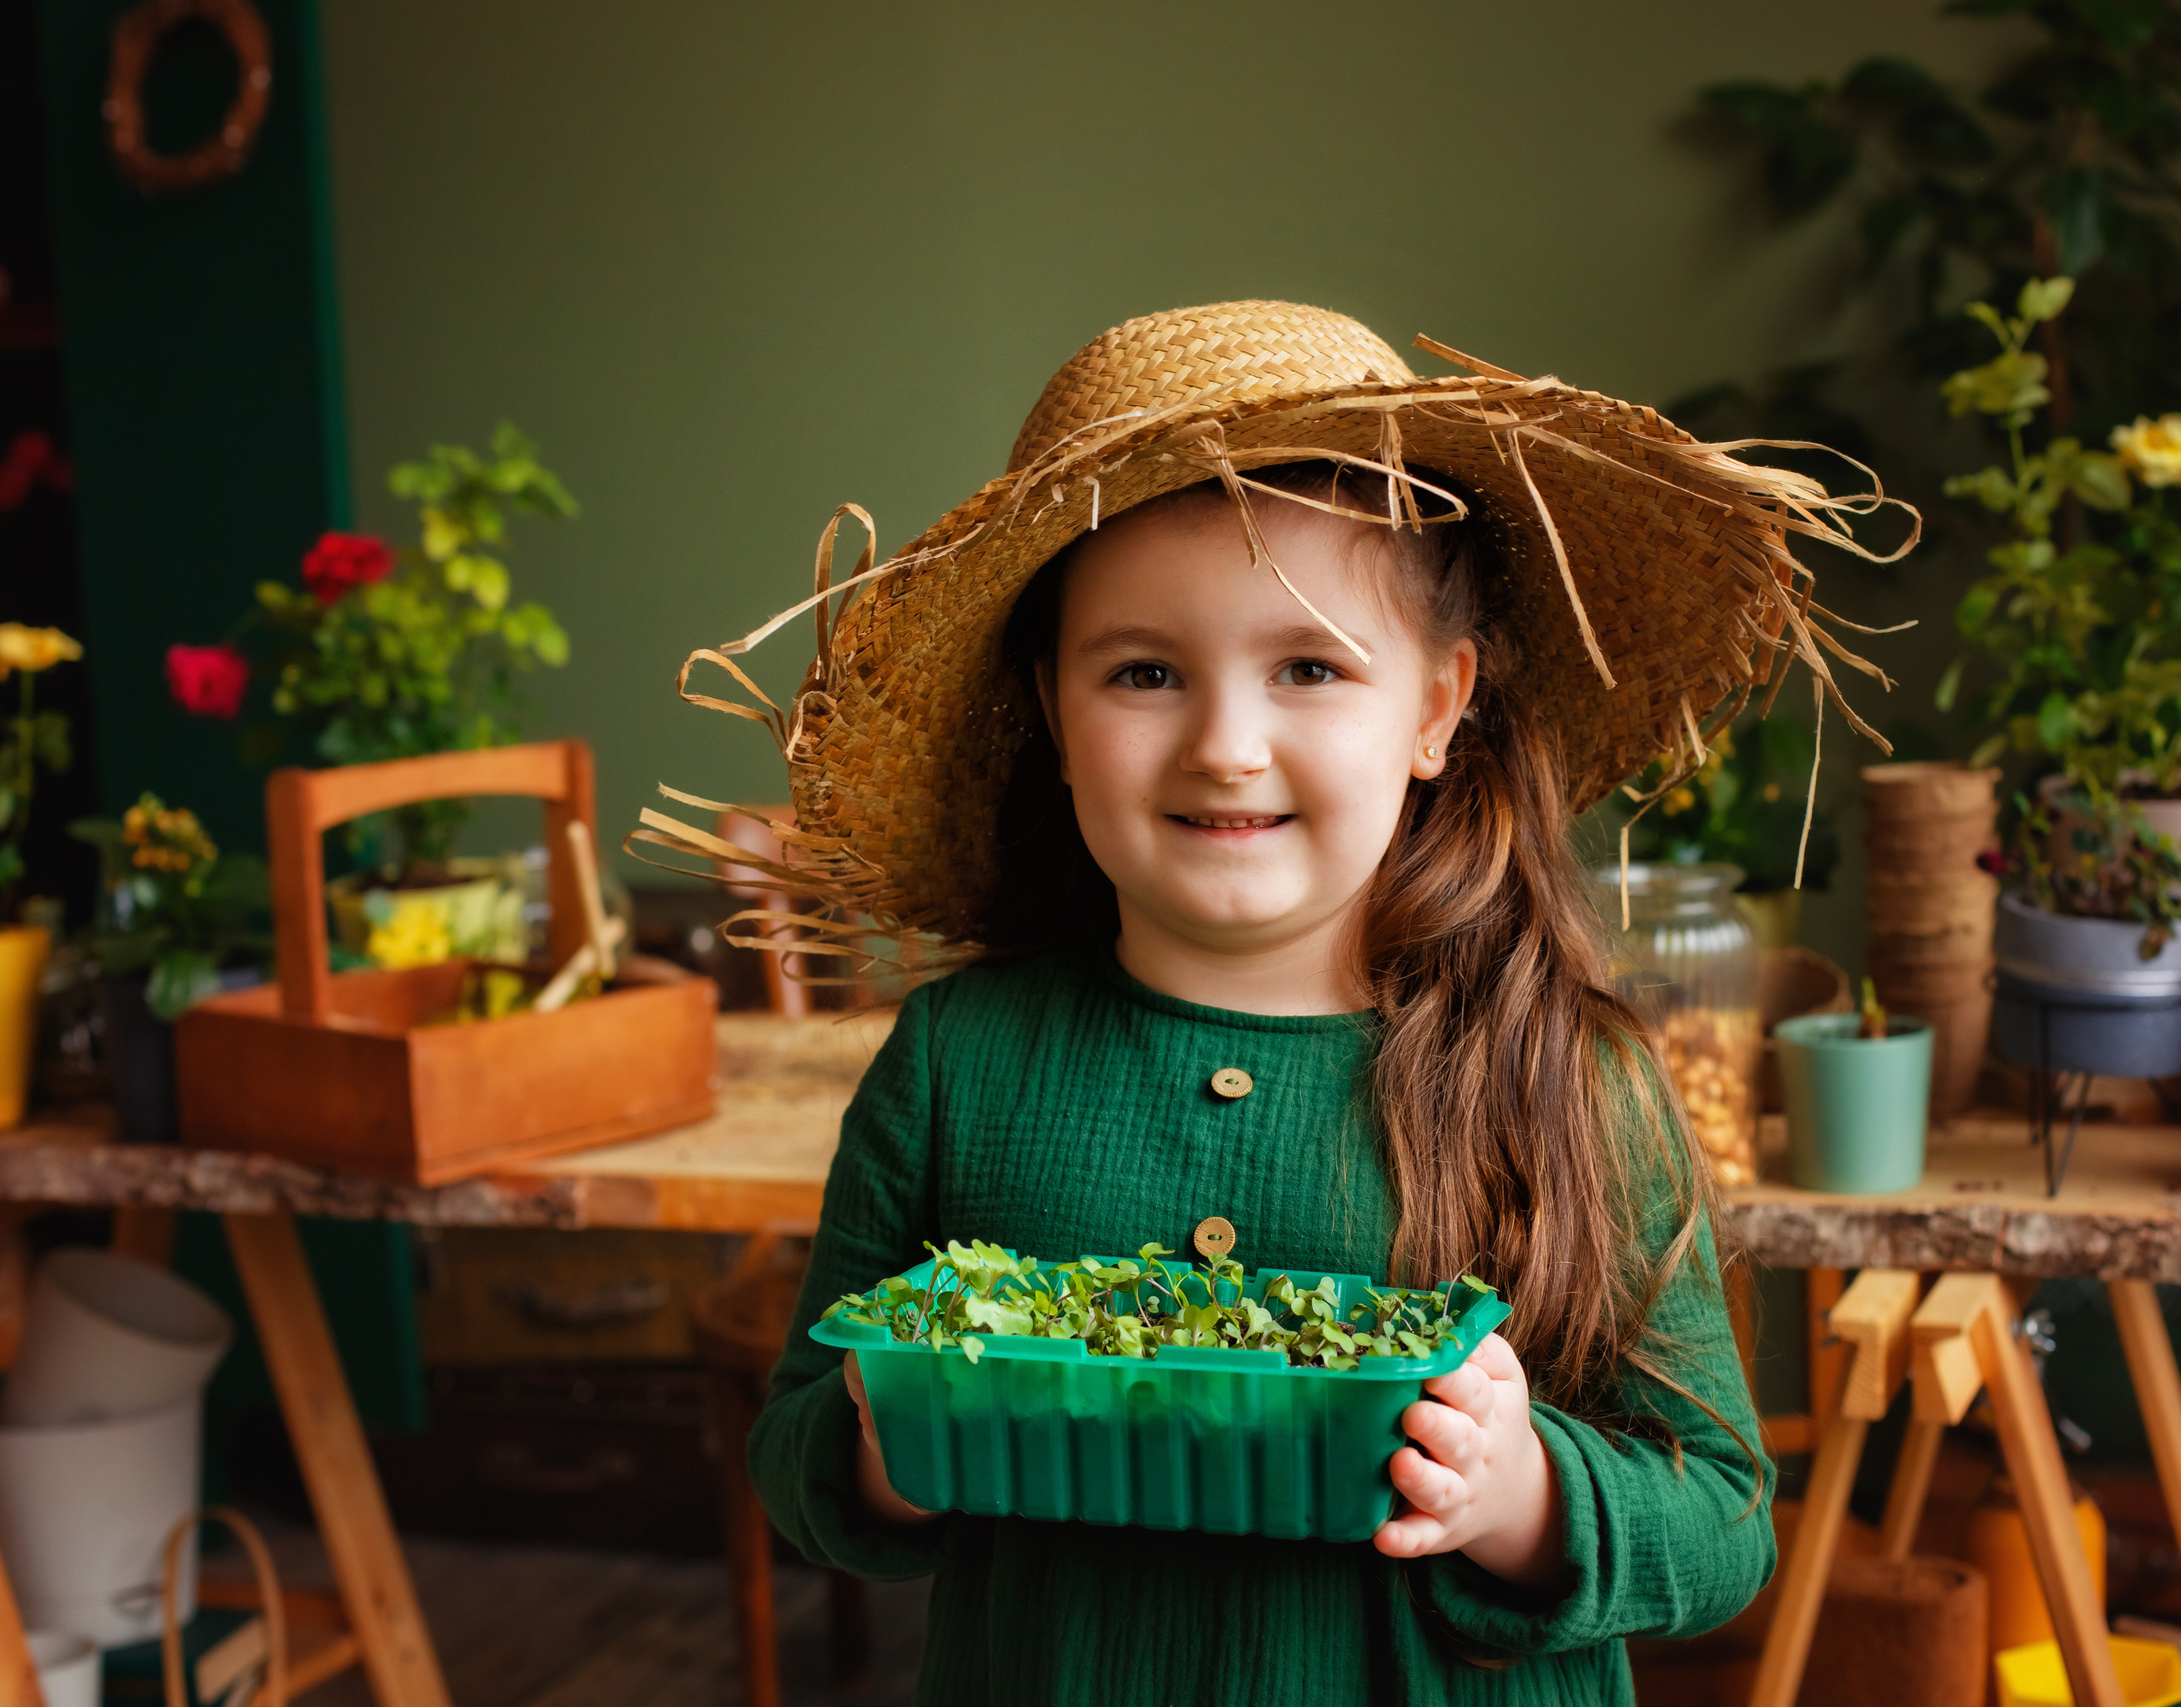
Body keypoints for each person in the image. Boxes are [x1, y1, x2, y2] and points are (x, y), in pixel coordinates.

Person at [691, 301, 1906, 1703]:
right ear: (1052, 712)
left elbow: (1723, 1520)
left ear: (1438, 709)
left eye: (1311, 668)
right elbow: (794, 1457)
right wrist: (877, 1445)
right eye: (1144, 672)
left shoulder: (1568, 1079)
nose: (1224, 745)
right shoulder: (957, 1065)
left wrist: (1519, 1496)